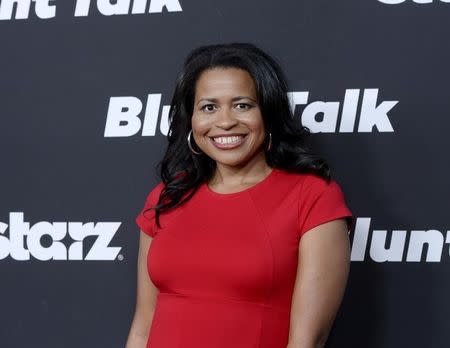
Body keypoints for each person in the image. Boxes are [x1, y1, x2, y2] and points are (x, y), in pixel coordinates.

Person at [125, 42, 354, 348]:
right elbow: (143, 324)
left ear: (268, 112)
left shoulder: (312, 196)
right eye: (209, 107)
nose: (225, 121)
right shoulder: (166, 197)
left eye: (242, 105)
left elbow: (307, 341)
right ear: (190, 119)